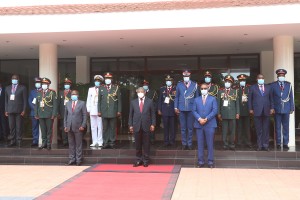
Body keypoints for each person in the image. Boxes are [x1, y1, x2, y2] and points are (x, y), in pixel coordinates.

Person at [129, 87, 156, 167]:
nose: (140, 93)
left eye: (142, 91)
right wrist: (130, 125)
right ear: (137, 93)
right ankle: (138, 160)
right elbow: (130, 115)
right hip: (136, 125)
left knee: (146, 144)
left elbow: (153, 114)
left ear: (145, 92)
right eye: (138, 92)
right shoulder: (133, 102)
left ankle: (146, 160)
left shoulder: (150, 101)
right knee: (137, 144)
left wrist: (153, 124)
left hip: (146, 125)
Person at [193, 83, 218, 168]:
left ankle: (210, 162)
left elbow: (214, 111)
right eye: (202, 88)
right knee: (200, 144)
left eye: (205, 88)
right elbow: (194, 111)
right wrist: (200, 119)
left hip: (210, 124)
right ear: (200, 90)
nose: (203, 90)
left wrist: (206, 119)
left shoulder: (213, 99)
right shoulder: (196, 99)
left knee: (210, 143)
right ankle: (200, 162)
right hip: (199, 124)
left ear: (208, 89)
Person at [248, 74, 274, 151]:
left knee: (266, 129)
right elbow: (250, 99)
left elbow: (271, 98)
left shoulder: (269, 87)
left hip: (266, 110)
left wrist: (272, 108)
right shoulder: (252, 87)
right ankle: (259, 145)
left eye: (262, 78)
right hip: (256, 110)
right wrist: (250, 109)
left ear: (264, 79)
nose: (261, 79)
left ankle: (265, 145)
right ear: (257, 79)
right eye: (259, 78)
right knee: (258, 129)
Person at [174, 69, 199, 150]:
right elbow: (177, 96)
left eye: (187, 76)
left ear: (190, 76)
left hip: (191, 109)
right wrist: (175, 107)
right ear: (183, 76)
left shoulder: (194, 85)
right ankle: (184, 143)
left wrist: (196, 109)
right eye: (185, 76)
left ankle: (190, 143)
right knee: (183, 128)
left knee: (190, 128)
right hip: (181, 109)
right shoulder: (179, 85)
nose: (186, 77)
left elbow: (197, 98)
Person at [271, 69, 294, 150]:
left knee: (286, 127)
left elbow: (291, 97)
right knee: (277, 127)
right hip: (277, 109)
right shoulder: (273, 85)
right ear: (277, 76)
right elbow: (271, 98)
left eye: (283, 76)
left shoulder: (288, 85)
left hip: (286, 108)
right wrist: (272, 107)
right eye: (280, 76)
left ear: (284, 76)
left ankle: (285, 143)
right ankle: (278, 143)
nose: (281, 77)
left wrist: (292, 108)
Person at [98, 72, 122, 149]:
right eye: (106, 79)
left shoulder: (116, 88)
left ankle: (112, 142)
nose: (107, 80)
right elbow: (99, 101)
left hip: (113, 111)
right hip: (104, 111)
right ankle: (105, 142)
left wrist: (119, 111)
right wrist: (99, 111)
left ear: (111, 80)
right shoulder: (101, 88)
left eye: (109, 79)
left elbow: (119, 101)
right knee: (105, 128)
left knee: (112, 127)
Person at [64, 90, 87, 166]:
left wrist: (83, 125)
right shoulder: (68, 103)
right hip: (69, 126)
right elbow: (65, 116)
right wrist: (65, 126)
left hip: (78, 127)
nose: (73, 95)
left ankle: (78, 160)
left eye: (75, 94)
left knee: (78, 144)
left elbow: (84, 115)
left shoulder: (82, 103)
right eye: (72, 94)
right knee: (71, 144)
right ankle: (71, 159)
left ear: (78, 95)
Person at [217, 75, 239, 150]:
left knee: (232, 130)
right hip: (224, 113)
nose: (227, 83)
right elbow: (218, 103)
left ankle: (232, 143)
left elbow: (237, 103)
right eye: (226, 81)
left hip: (233, 113)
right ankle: (225, 144)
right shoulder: (220, 91)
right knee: (224, 129)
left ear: (231, 83)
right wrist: (218, 113)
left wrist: (237, 113)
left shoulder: (235, 91)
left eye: (229, 82)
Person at [35, 77, 58, 150]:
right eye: (43, 84)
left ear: (48, 85)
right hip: (41, 114)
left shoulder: (52, 92)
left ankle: (48, 143)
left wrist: (54, 114)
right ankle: (43, 143)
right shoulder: (39, 93)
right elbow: (37, 104)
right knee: (43, 129)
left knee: (49, 130)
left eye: (45, 84)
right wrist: (36, 114)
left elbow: (55, 104)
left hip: (49, 114)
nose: (43, 85)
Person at [5, 74, 27, 147]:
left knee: (19, 126)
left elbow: (25, 100)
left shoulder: (22, 88)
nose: (14, 79)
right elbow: (6, 101)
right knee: (11, 126)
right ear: (11, 79)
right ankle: (12, 140)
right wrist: (6, 110)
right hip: (10, 110)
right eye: (13, 78)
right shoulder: (7, 88)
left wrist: (24, 110)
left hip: (19, 110)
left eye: (16, 78)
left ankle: (19, 140)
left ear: (18, 79)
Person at [158, 75, 176, 147]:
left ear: (172, 81)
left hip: (172, 110)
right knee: (165, 127)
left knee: (172, 127)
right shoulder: (162, 89)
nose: (168, 82)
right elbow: (160, 100)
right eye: (167, 81)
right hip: (165, 110)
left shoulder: (175, 89)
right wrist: (159, 109)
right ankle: (166, 141)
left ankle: (172, 141)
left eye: (170, 81)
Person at [86, 75, 103, 148]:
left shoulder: (102, 89)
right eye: (96, 81)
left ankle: (100, 141)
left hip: (100, 110)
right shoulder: (91, 89)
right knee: (93, 126)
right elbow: (88, 99)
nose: (97, 82)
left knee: (100, 126)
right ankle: (94, 141)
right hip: (92, 109)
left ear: (100, 82)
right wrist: (88, 109)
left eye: (98, 81)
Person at [236, 74, 252, 148]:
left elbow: (251, 99)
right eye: (241, 80)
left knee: (247, 127)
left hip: (247, 111)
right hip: (239, 111)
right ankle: (239, 142)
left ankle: (248, 142)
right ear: (239, 81)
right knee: (239, 127)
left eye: (243, 80)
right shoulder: (236, 89)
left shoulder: (249, 88)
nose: (242, 81)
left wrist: (251, 109)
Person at [142, 79, 158, 144]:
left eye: (146, 84)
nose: (145, 86)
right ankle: (144, 139)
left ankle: (152, 139)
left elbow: (156, 101)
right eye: (144, 85)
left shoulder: (153, 92)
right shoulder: (140, 92)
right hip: (142, 112)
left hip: (150, 112)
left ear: (148, 85)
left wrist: (154, 109)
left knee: (151, 125)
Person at [58, 78, 72, 147]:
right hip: (62, 112)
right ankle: (64, 140)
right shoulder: (60, 93)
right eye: (65, 84)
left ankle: (70, 140)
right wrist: (58, 113)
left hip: (70, 113)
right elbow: (58, 103)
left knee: (69, 127)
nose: (67, 85)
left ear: (70, 85)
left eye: (68, 84)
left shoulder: (72, 93)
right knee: (63, 127)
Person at [28, 77, 42, 147]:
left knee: (43, 128)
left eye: (39, 82)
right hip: (33, 113)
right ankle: (35, 140)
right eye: (36, 82)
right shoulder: (32, 92)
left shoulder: (44, 92)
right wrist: (35, 109)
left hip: (42, 113)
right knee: (34, 127)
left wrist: (40, 110)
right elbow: (30, 102)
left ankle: (43, 140)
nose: (37, 84)